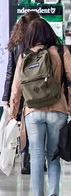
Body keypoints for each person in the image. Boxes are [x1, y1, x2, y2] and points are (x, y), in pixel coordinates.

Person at [9, 19, 71, 196]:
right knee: (54, 155)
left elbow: (16, 88)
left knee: (37, 157)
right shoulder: (60, 50)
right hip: (58, 109)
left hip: (33, 111)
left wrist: (13, 114)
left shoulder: (25, 55)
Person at [2, 11, 41, 174]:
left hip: (18, 90)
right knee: (36, 126)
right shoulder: (38, 43)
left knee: (21, 126)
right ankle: (36, 159)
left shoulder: (15, 42)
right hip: (36, 89)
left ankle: (24, 157)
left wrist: (6, 96)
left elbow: (10, 72)